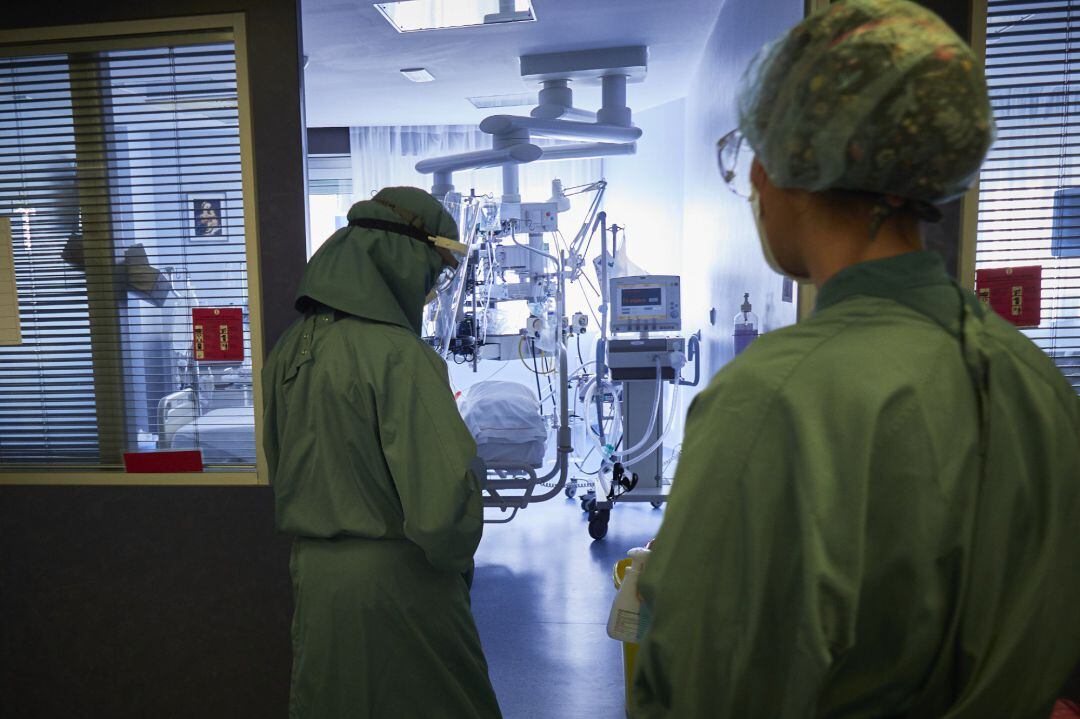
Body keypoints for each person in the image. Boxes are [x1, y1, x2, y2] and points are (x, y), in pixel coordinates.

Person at [630, 1, 1080, 717]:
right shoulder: (1034, 380)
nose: (752, 184)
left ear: (793, 171)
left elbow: (706, 684)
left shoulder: (777, 398)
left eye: (755, 155)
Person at [263, 186, 502, 719]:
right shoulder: (399, 356)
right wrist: (459, 558)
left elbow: (280, 464)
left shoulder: (289, 349)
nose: (430, 288)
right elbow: (443, 513)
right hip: (400, 585)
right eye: (431, 273)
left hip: (317, 583)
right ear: (400, 261)